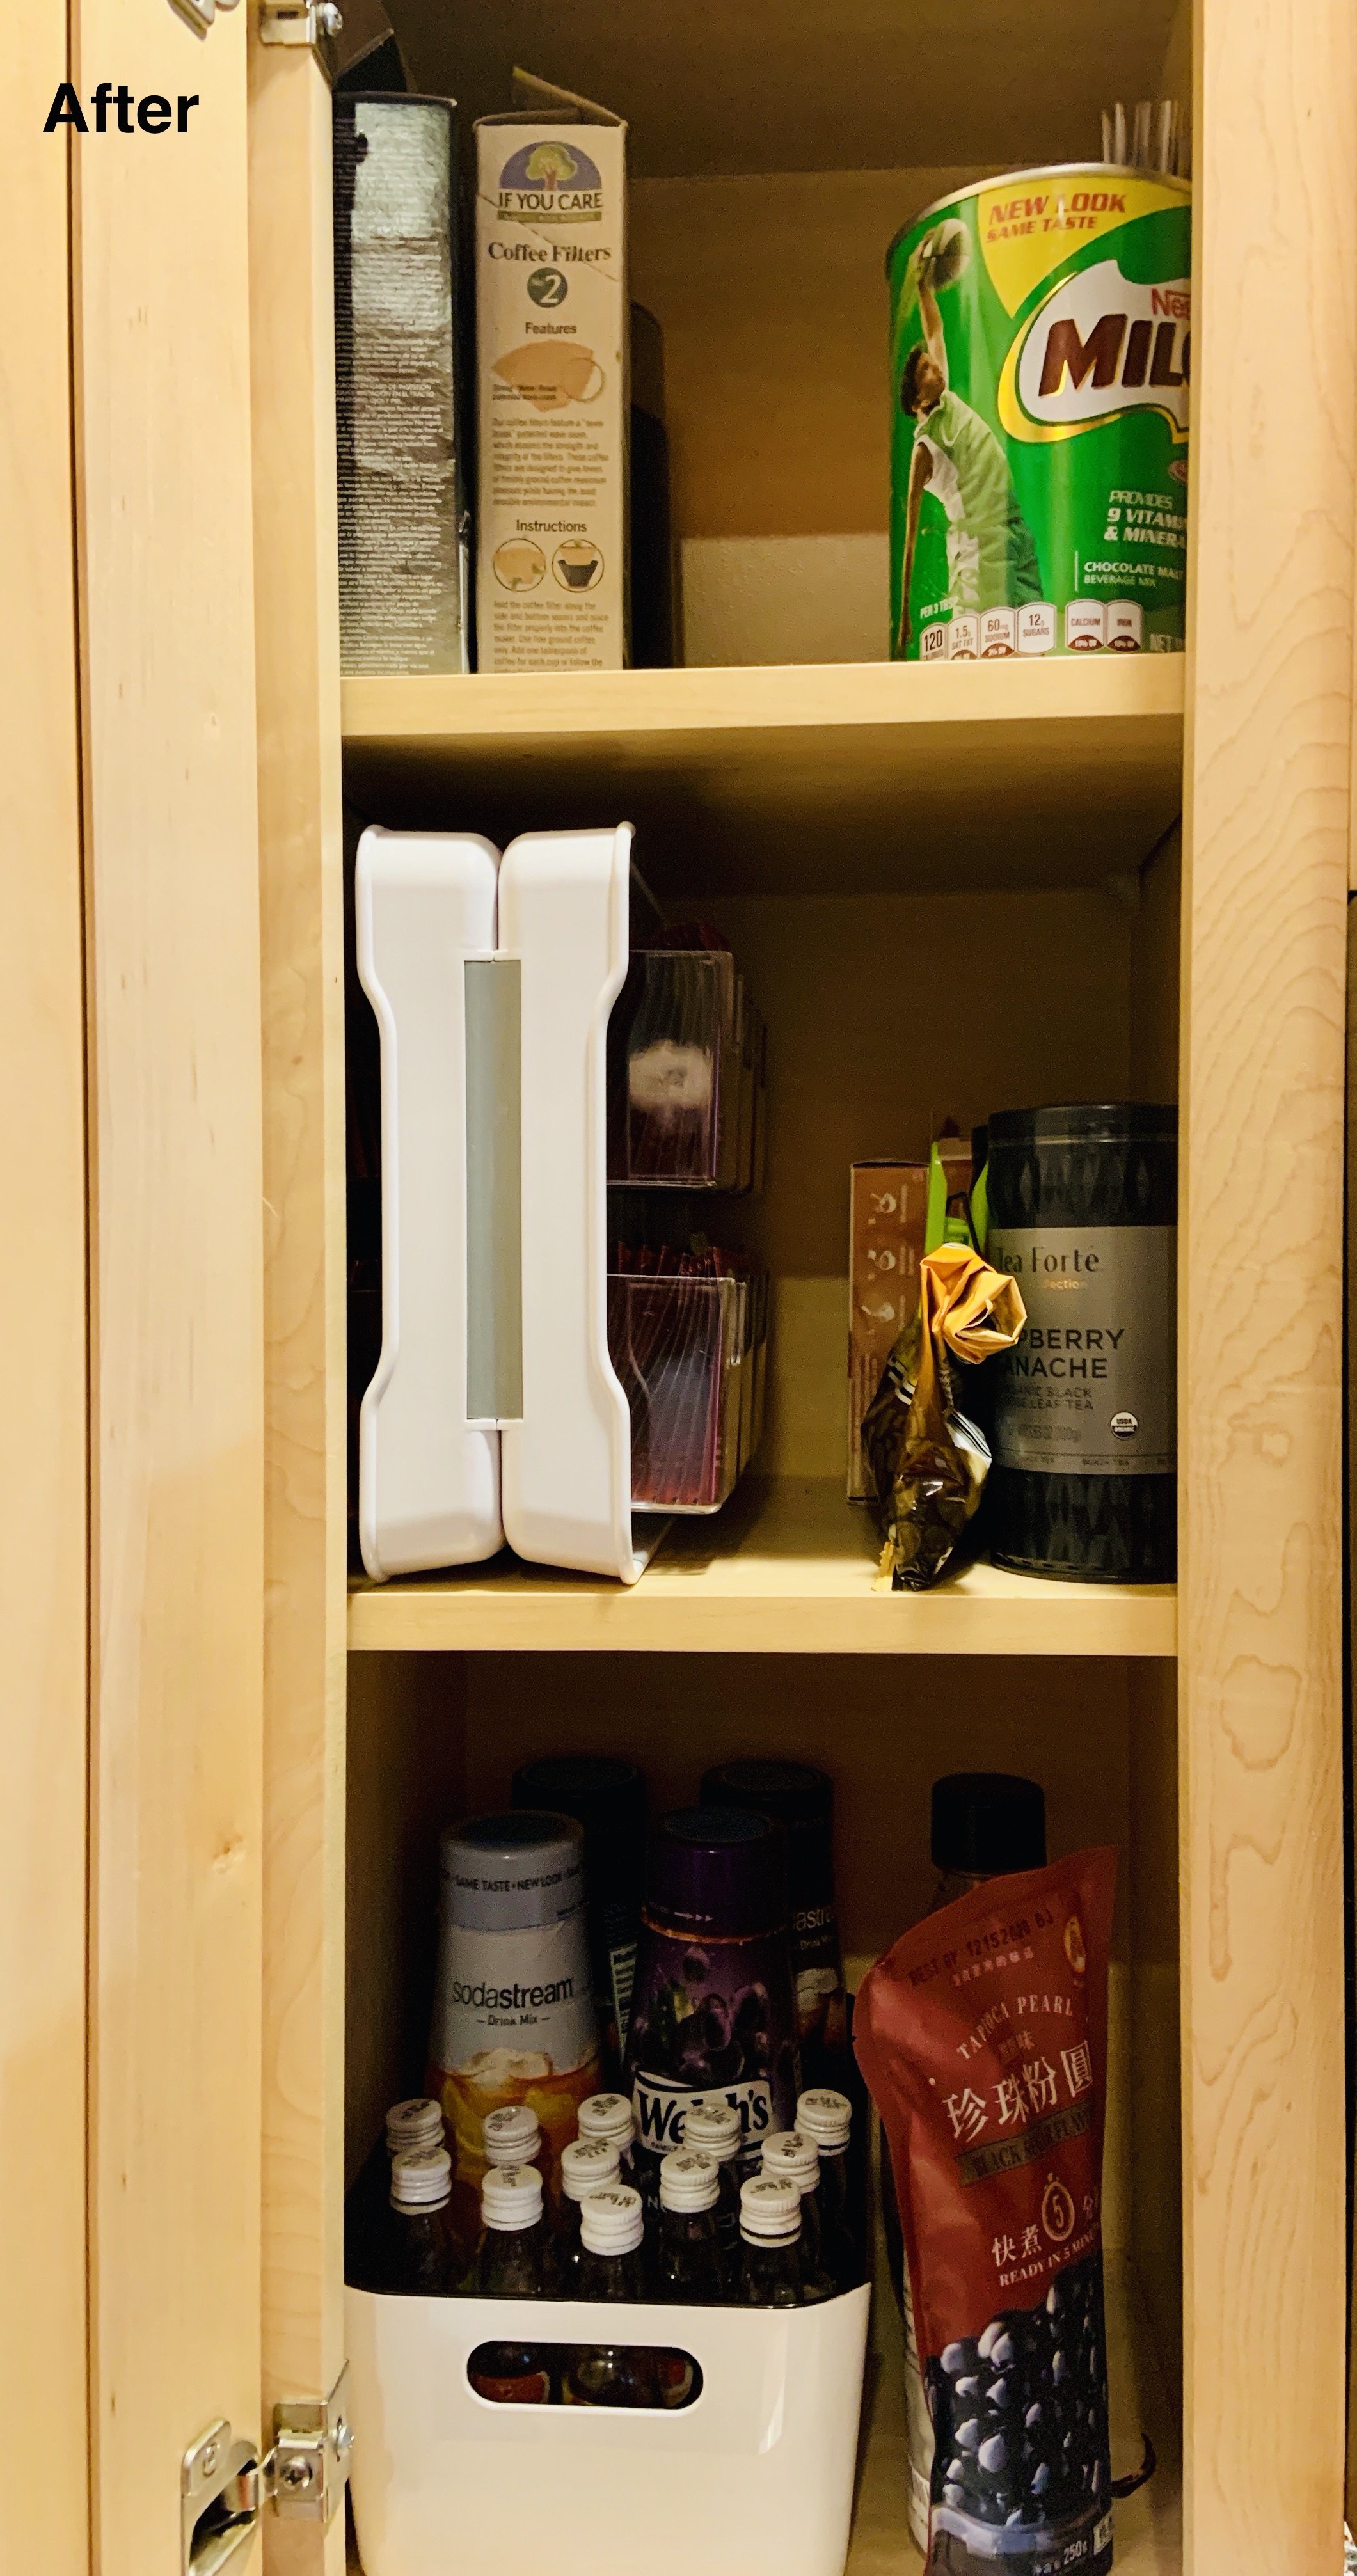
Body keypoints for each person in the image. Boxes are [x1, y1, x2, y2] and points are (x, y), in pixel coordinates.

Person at [896, 234, 1044, 652]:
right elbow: (909, 535)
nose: (934, 367)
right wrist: (905, 614)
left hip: (1012, 530)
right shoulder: (925, 448)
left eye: (929, 363)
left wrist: (924, 284)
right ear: (916, 399)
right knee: (987, 653)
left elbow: (935, 329)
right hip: (979, 544)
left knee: (1035, 648)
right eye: (926, 369)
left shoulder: (943, 399)